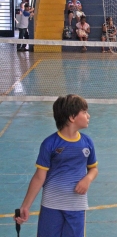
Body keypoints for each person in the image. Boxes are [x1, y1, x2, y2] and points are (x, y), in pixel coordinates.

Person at [14, 94, 98, 237]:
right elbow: (39, 177)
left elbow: (93, 168)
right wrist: (26, 206)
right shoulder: (50, 143)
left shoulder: (87, 143)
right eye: (84, 112)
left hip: (76, 206)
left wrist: (88, 179)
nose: (88, 115)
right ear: (72, 117)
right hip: (51, 206)